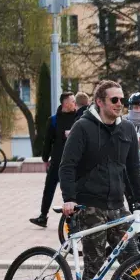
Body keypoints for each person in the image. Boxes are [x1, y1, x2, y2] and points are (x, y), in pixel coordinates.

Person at [58, 80, 140, 280]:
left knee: (133, 263)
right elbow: (67, 166)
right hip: (90, 206)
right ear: (100, 102)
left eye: (122, 100)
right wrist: (69, 199)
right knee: (94, 268)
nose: (121, 104)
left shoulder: (127, 129)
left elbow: (132, 170)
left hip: (117, 206)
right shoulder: (83, 127)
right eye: (115, 100)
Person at [29, 93, 79, 227]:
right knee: (49, 188)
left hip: (73, 162)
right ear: (65, 103)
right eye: (72, 101)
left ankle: (74, 218)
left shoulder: (78, 118)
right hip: (57, 161)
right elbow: (48, 142)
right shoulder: (54, 120)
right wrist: (45, 158)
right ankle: (43, 216)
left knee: (70, 190)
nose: (75, 103)